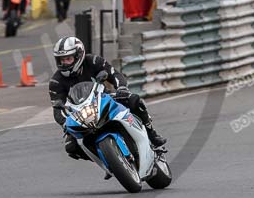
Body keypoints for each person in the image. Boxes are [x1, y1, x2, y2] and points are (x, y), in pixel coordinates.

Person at [49, 36, 167, 164]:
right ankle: (106, 159)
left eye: (68, 59)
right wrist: (65, 123)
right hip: (81, 113)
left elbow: (114, 74)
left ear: (78, 55)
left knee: (134, 100)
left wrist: (121, 87)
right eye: (61, 60)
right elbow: (57, 108)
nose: (64, 63)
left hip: (104, 98)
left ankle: (151, 134)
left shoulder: (93, 61)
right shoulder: (56, 81)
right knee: (71, 147)